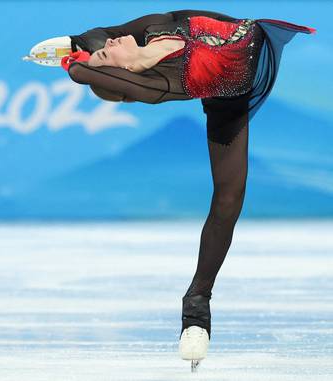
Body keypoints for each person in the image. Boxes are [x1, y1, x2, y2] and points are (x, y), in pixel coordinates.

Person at [60, 9, 315, 370]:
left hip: (256, 46)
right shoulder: (160, 85)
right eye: (105, 54)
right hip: (229, 101)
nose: (110, 44)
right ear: (125, 73)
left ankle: (197, 304)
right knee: (228, 200)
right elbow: (81, 72)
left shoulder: (155, 28)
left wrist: (76, 43)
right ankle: (197, 306)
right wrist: (75, 64)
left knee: (229, 198)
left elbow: (105, 31)